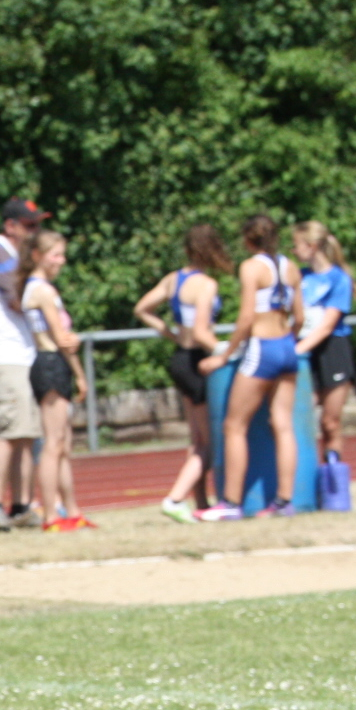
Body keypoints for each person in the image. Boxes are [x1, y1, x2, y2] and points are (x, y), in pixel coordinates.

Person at [199, 214, 303, 520]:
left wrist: (224, 356)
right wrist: (289, 340)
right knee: (283, 424)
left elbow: (246, 319)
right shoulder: (290, 267)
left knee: (234, 426)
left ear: (248, 239)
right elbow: (299, 317)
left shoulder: (251, 267)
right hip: (287, 346)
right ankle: (284, 501)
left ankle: (231, 503)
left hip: (262, 348)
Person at [135, 225, 231, 522]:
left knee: (197, 439)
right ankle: (175, 499)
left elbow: (142, 309)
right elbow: (201, 332)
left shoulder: (173, 279)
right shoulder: (206, 285)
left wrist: (171, 334)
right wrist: (225, 352)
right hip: (198, 360)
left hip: (180, 358)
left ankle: (200, 502)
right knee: (209, 444)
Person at [0, 198, 49, 531]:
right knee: (7, 432)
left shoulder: (18, 257)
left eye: (38, 225)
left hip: (22, 356)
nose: (36, 231)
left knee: (27, 434)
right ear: (10, 226)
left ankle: (21, 505)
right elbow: (18, 300)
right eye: (30, 225)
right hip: (3, 357)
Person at [21, 230, 92, 531]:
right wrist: (79, 369)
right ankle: (51, 514)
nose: (61, 261)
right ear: (38, 256)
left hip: (55, 362)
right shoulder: (42, 291)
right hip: (49, 363)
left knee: (63, 443)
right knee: (53, 443)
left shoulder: (43, 289)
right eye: (56, 255)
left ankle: (71, 510)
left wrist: (76, 369)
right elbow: (60, 338)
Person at [293, 221, 356, 469]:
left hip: (332, 350)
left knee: (330, 422)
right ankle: (303, 473)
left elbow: (327, 326)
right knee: (300, 416)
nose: (294, 250)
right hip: (304, 350)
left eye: (297, 245)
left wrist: (297, 350)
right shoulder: (299, 276)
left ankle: (332, 470)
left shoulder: (339, 279)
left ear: (312, 246)